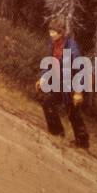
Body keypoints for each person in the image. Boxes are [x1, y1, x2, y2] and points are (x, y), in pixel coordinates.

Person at [36, 17, 90, 149]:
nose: (51, 34)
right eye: (50, 31)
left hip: (73, 84)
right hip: (60, 83)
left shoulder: (72, 47)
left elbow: (81, 68)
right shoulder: (53, 44)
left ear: (62, 32)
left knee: (73, 113)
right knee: (47, 103)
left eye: (54, 31)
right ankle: (57, 133)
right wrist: (43, 78)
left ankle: (82, 143)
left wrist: (78, 92)